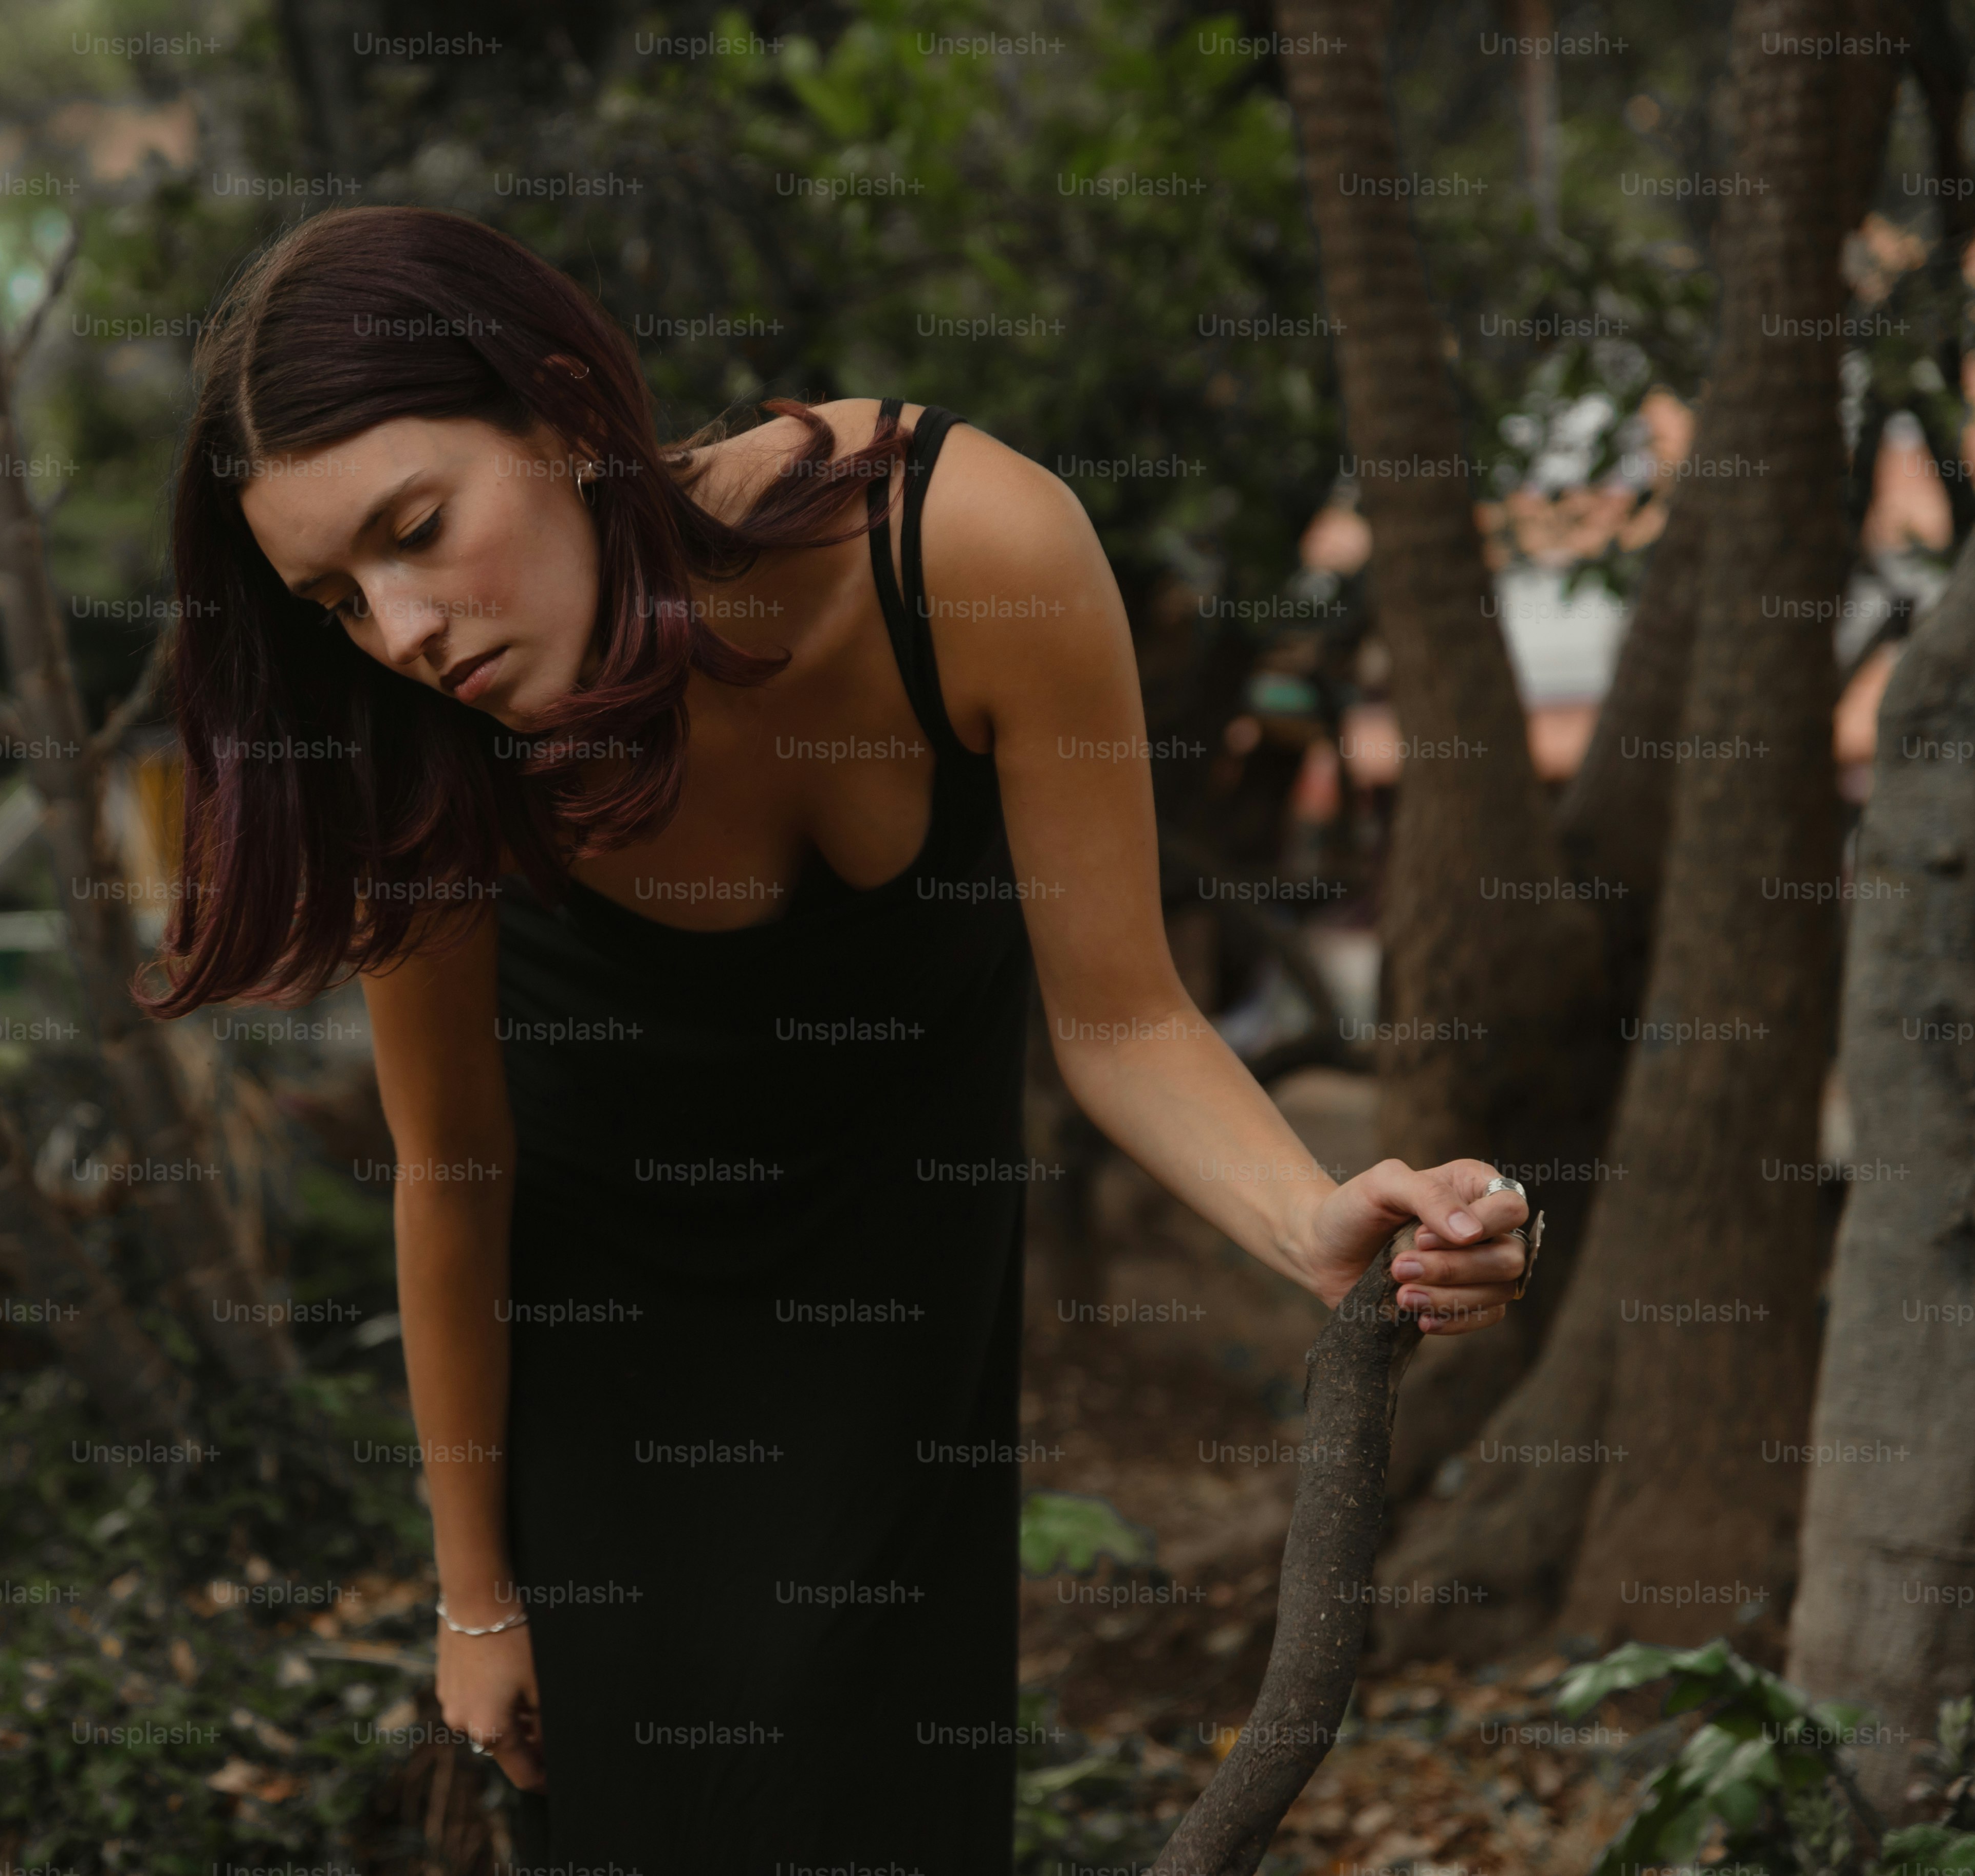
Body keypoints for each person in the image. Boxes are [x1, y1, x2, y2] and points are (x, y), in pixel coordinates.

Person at [139, 205, 1535, 1872]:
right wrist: (474, 1594)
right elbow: (453, 1176)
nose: (404, 630)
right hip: (611, 1373)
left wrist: (1308, 1217)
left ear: (572, 415)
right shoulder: (423, 753)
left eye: (417, 529)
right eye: (337, 599)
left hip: (899, 1325)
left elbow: (1123, 1014)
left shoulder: (962, 551)